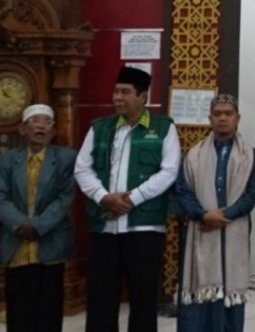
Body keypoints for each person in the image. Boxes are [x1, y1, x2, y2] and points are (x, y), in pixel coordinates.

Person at [74, 66, 181, 332]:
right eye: (116, 91)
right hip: (105, 226)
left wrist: (132, 199)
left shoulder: (163, 128)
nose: (117, 97)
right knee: (101, 299)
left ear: (143, 96)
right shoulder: (100, 128)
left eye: (125, 92)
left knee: (143, 298)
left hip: (144, 228)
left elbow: (169, 171)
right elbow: (82, 169)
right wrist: (104, 197)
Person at [175, 94, 255, 331]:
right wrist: (203, 215)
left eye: (228, 113)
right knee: (200, 300)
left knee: (230, 300)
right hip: (201, 232)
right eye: (217, 114)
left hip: (234, 233)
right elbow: (183, 191)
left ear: (238, 118)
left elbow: (254, 194)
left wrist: (226, 215)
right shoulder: (193, 155)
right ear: (210, 119)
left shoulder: (250, 155)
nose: (223, 118)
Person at [0, 104, 75, 332]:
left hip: (50, 240)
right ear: (23, 129)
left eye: (47, 122)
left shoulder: (66, 159)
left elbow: (64, 199)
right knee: (18, 310)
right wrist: (20, 224)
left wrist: (38, 226)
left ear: (53, 131)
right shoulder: (6, 159)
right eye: (35, 121)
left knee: (48, 310)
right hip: (16, 241)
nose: (41, 126)